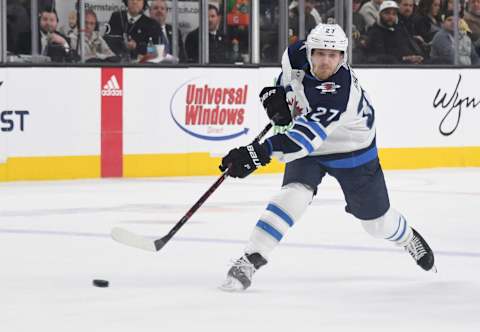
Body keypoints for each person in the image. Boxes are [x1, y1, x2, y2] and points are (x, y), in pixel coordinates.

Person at [218, 23, 436, 292]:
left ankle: (406, 237)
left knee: (376, 223)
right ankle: (250, 259)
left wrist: (255, 154)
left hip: (352, 149)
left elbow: (300, 141)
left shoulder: (338, 93)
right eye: (320, 53)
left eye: (333, 55)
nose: (325, 61)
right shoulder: (294, 54)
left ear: (343, 57)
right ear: (309, 51)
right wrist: (277, 97)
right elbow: (288, 80)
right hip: (310, 145)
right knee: (292, 195)